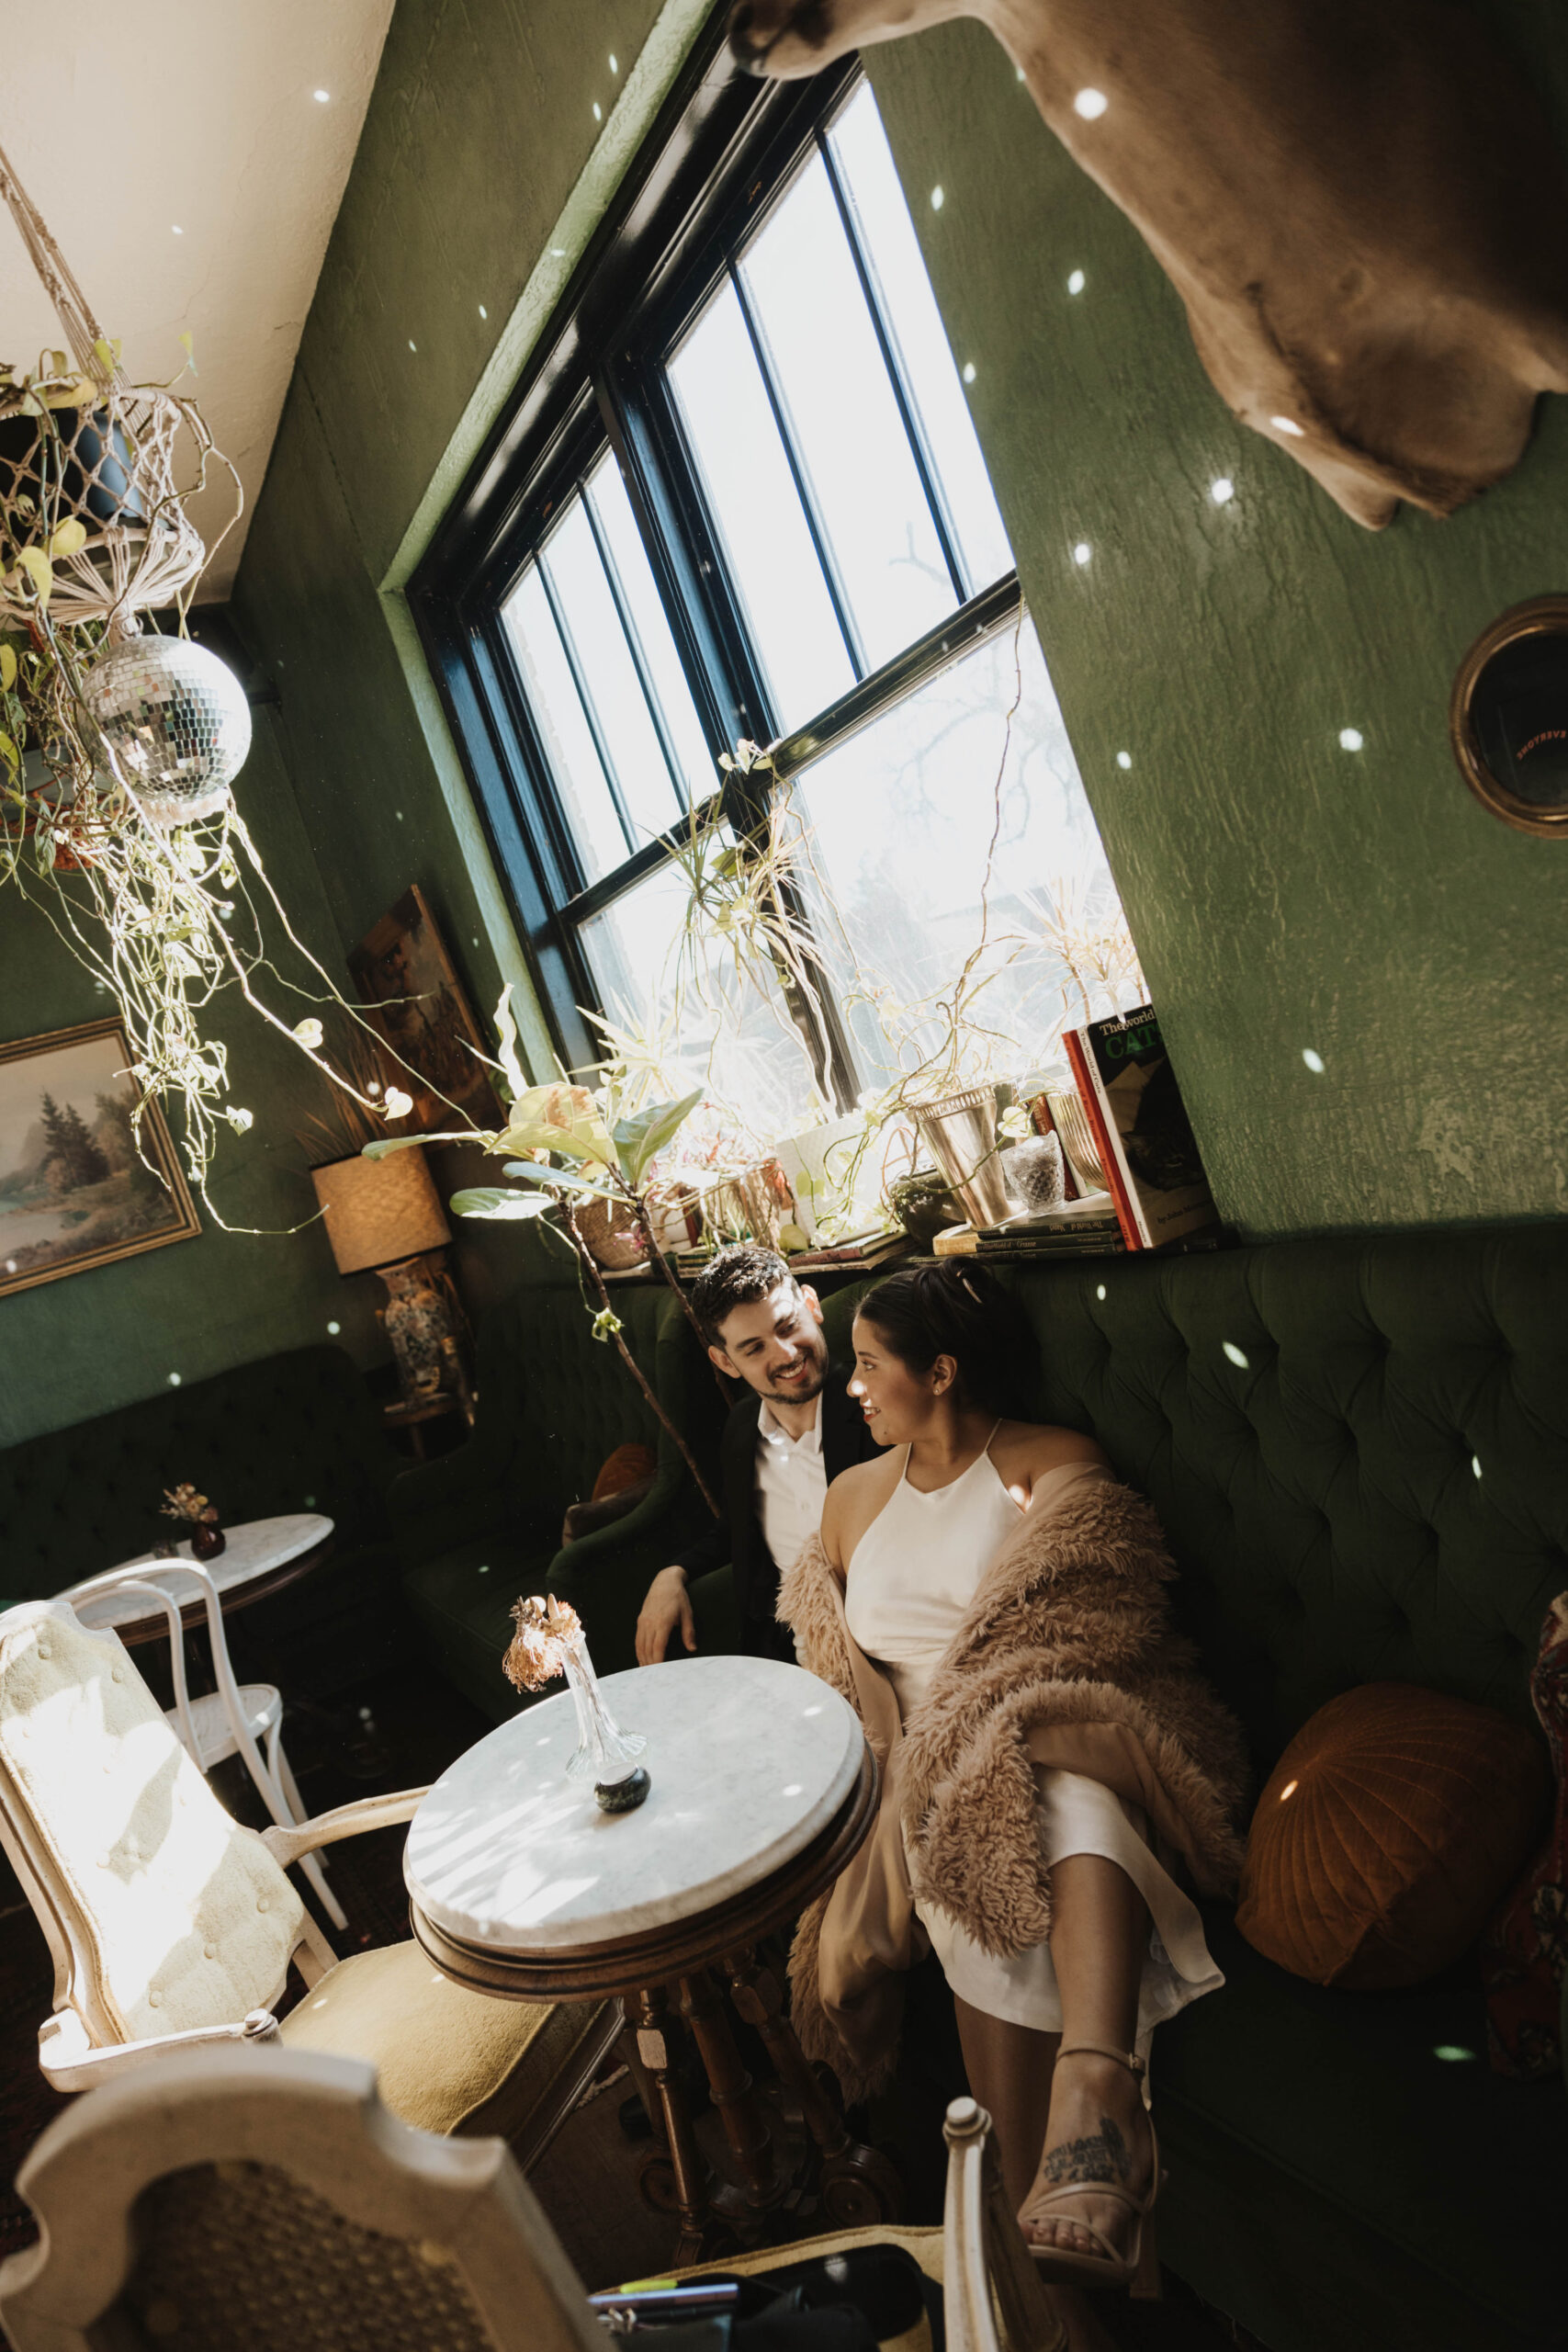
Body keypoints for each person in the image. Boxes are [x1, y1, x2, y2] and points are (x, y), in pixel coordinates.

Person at [779, 1261, 1247, 2344]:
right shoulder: (854, 1501)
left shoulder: (1048, 1464)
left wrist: (997, 1727)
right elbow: (845, 1677)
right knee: (980, 1832)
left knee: (1059, 1777)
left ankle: (1060, 2210)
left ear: (939, 1372)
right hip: (923, 1772)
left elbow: (1080, 1624)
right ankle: (1094, 2123)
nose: (852, 1388)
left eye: (869, 1365)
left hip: (1040, 1715)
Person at [634, 1244, 879, 1666]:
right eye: (753, 1348)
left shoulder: (878, 1408)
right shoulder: (742, 1431)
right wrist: (673, 1573)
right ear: (725, 1362)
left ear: (811, 1305)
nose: (784, 1354)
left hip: (885, 1647)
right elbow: (736, 1531)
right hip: (797, 1665)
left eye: (787, 1325)